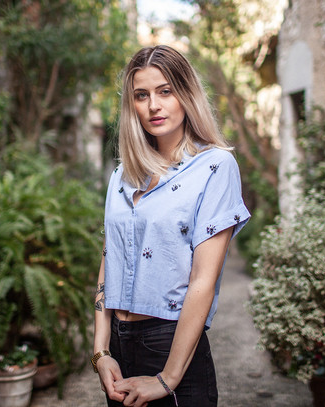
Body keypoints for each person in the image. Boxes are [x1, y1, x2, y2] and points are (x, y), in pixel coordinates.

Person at [92, 45, 251, 407]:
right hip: (117, 342)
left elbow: (202, 281)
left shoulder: (215, 166)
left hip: (171, 341)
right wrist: (101, 352)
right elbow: (108, 262)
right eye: (141, 95)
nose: (153, 106)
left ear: (186, 94)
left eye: (165, 91)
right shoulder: (122, 175)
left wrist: (168, 378)